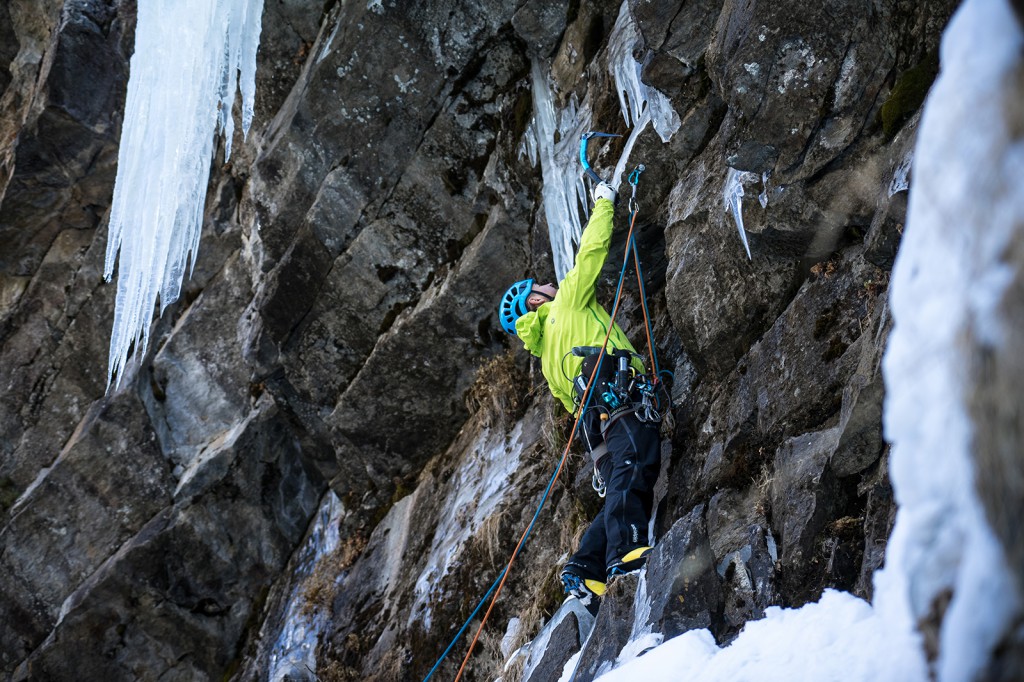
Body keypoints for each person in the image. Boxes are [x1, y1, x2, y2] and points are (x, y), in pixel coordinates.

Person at [498, 182, 662, 612]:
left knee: (617, 484)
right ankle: (624, 554)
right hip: (620, 397)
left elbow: (571, 407)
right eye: (542, 285)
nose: (551, 283)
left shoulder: (546, 360)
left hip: (595, 427)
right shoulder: (566, 303)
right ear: (535, 300)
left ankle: (585, 566)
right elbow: (591, 252)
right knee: (636, 464)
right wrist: (604, 201)